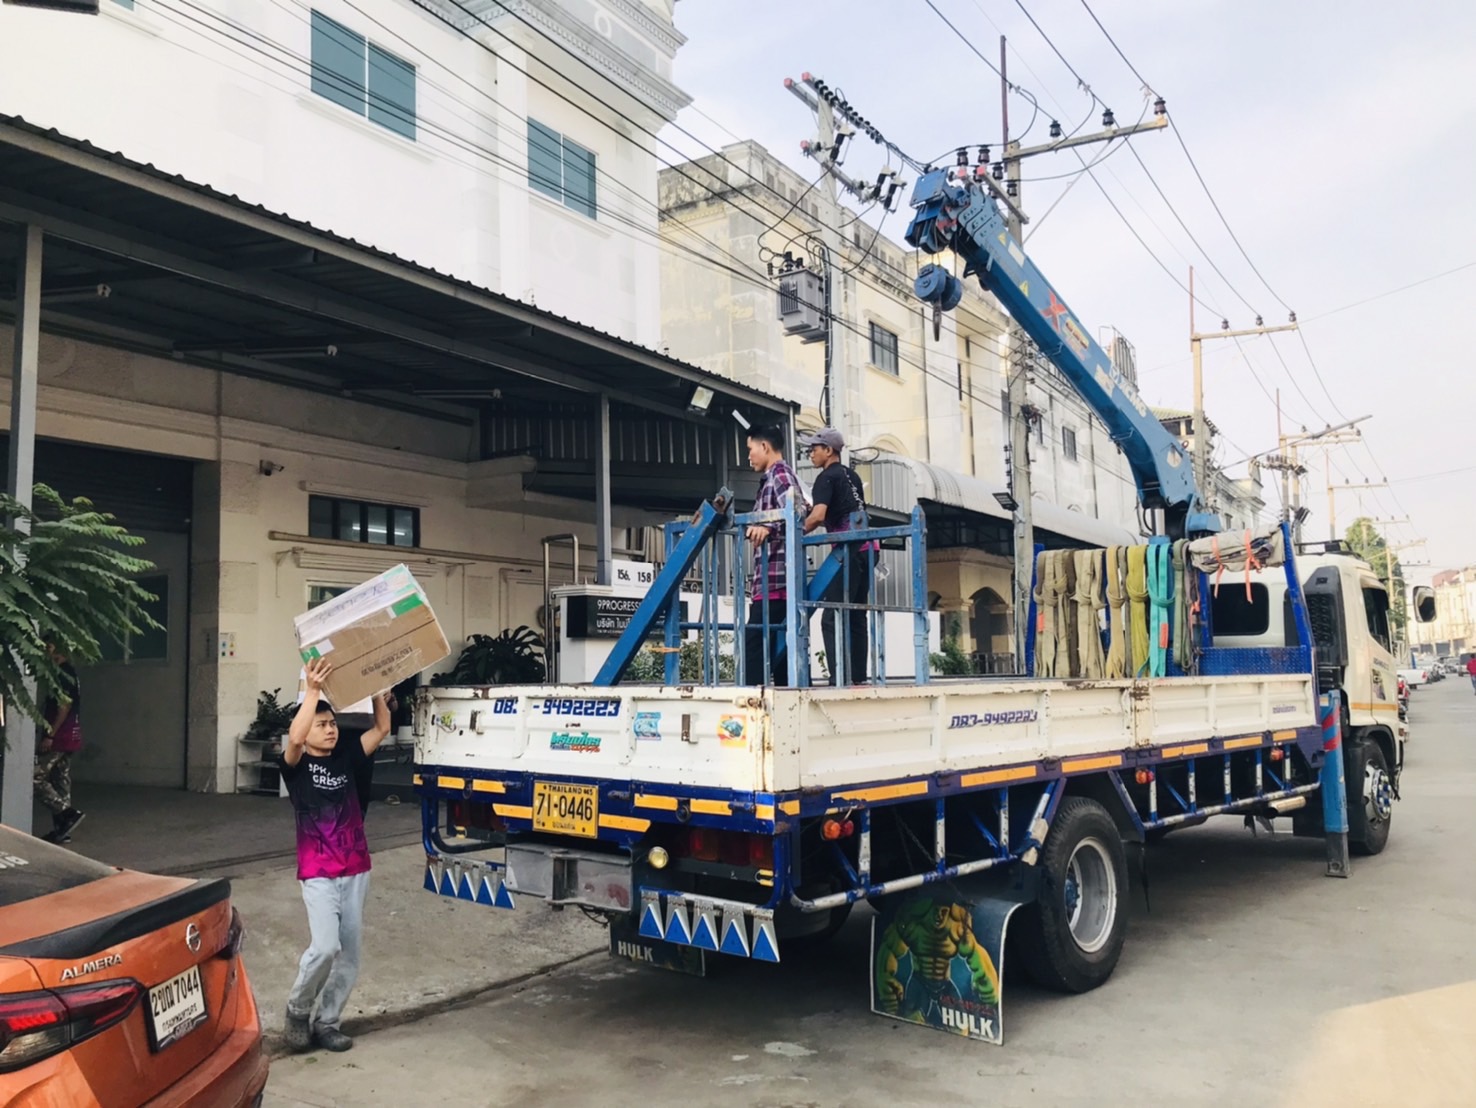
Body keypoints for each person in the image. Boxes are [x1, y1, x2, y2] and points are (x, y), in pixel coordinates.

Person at [280, 657, 391, 1054]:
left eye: (332, 724)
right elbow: (294, 740)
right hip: (319, 872)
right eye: (321, 725)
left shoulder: (347, 758)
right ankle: (298, 1009)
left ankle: (328, 1022)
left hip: (356, 869)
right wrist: (312, 690)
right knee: (325, 947)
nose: (330, 730)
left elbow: (382, 728)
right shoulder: (296, 767)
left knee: (349, 955)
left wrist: (377, 692)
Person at [802, 427, 873, 685]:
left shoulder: (825, 478)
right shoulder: (851, 475)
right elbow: (843, 511)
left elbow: (818, 516)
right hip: (869, 548)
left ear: (828, 450)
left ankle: (839, 677)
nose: (810, 454)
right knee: (856, 614)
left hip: (848, 550)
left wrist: (795, 531)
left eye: (814, 449)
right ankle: (858, 677)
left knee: (831, 616)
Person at [743, 424, 807, 685]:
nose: (749, 456)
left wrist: (768, 527)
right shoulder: (773, 478)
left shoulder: (779, 475)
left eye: (750, 449)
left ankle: (753, 697)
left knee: (754, 643)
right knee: (780, 647)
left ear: (764, 446)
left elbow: (799, 512)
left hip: (776, 581)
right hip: (772, 580)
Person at [34, 646, 85, 844]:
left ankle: (66, 813)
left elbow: (64, 707)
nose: (45, 651)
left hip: (59, 736)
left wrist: (50, 735)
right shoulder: (70, 673)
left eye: (48, 647)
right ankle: (63, 829)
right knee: (60, 779)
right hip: (70, 735)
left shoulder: (62, 674)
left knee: (35, 776)